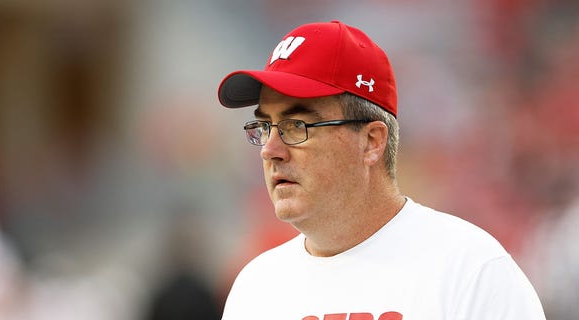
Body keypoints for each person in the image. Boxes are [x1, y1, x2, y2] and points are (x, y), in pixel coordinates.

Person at [217, 20, 545, 319]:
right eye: (265, 126)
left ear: (372, 141)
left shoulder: (471, 271)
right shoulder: (255, 289)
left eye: (296, 124)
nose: (270, 150)